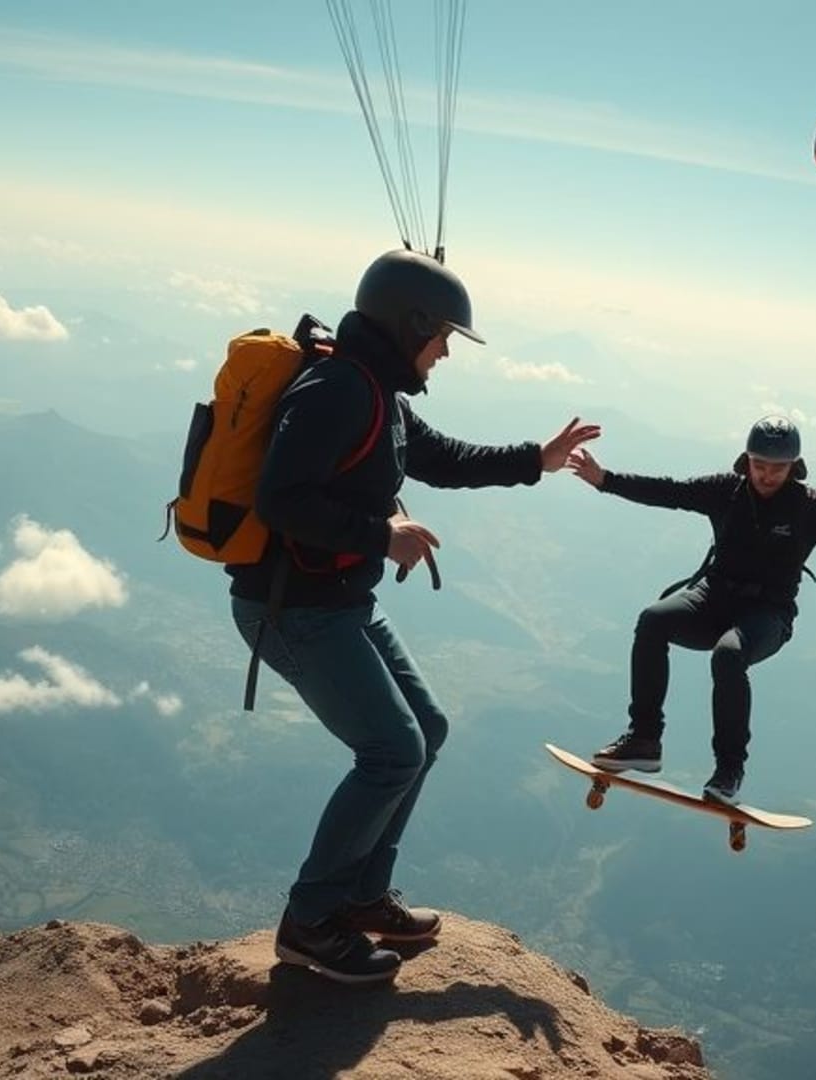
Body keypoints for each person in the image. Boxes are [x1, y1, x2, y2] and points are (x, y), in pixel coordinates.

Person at [231, 248, 599, 984]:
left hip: (337, 602)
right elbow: (281, 498)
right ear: (410, 326)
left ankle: (363, 895)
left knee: (424, 732)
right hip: (291, 609)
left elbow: (445, 459)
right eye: (442, 339)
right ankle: (310, 922)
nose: (444, 355)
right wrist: (381, 535)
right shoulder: (337, 389)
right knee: (393, 750)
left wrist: (538, 458)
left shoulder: (378, 393)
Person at [567, 415, 816, 805]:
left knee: (729, 655)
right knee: (653, 621)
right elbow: (669, 492)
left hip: (767, 615)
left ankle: (729, 772)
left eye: (777, 468)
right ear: (745, 460)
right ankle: (644, 740)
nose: (766, 475)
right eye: (759, 465)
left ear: (793, 467)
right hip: (713, 599)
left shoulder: (808, 508)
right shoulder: (724, 491)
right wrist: (605, 480)